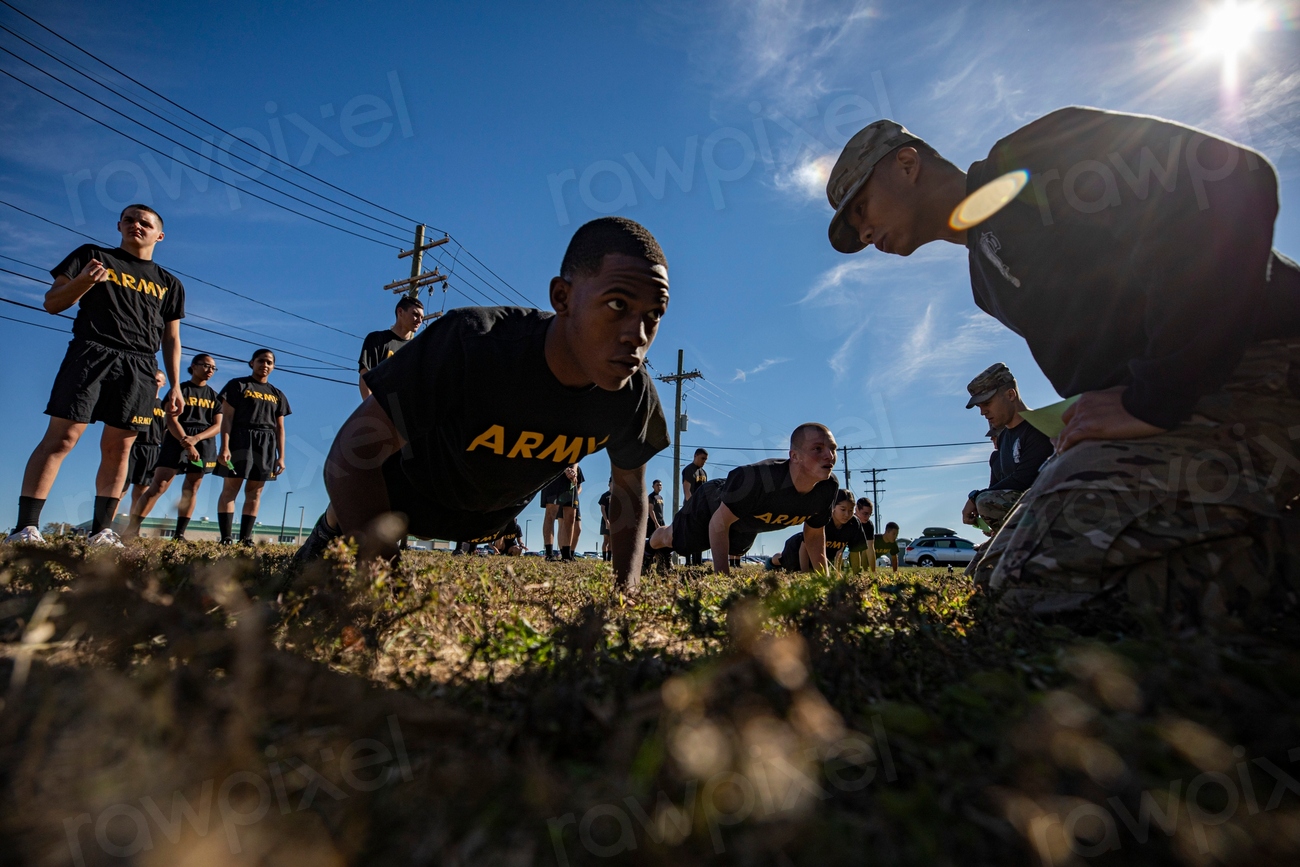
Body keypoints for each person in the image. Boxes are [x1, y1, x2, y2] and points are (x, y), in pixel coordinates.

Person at [825, 109, 1300, 618]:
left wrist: (1154, 397)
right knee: (994, 579)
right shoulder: (984, 280)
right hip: (1184, 410)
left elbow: (1231, 178)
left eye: (862, 209)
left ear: (906, 164)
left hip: (1263, 367)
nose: (866, 233)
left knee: (1031, 579)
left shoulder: (1032, 160)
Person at [295, 217, 671, 592]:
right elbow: (350, 457)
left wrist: (627, 593)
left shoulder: (631, 393)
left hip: (490, 521)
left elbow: (628, 492)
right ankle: (332, 526)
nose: (637, 335)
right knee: (318, 582)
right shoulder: (473, 343)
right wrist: (388, 582)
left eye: (654, 313)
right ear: (563, 298)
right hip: (405, 501)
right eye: (618, 303)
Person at [8, 205, 184, 547]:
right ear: (119, 225)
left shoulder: (170, 283)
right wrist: (83, 282)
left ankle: (102, 531)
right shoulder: (93, 256)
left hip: (140, 366)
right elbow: (52, 303)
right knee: (61, 439)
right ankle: (25, 528)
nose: (136, 225)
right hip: (91, 354)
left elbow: (172, 338)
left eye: (145, 223)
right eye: (130, 220)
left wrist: (175, 385)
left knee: (119, 450)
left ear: (159, 235)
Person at [649, 423, 840, 575]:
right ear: (794, 456)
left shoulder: (828, 487)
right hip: (712, 506)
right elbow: (718, 523)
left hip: (744, 521)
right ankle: (649, 549)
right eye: (818, 448)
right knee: (677, 540)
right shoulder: (757, 479)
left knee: (738, 547)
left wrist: (825, 580)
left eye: (833, 449)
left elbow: (814, 535)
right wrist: (722, 577)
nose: (829, 456)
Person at [127, 354, 223, 540]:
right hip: (176, 439)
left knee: (192, 488)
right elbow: (170, 420)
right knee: (159, 485)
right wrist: (186, 442)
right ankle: (131, 529)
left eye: (213, 368)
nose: (210, 370)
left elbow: (218, 425)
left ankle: (179, 534)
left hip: (202, 443)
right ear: (194, 366)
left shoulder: (214, 396)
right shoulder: (180, 390)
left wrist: (196, 439)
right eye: (206, 365)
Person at [960, 363, 1052, 535]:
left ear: (1010, 395)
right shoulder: (1003, 439)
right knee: (982, 560)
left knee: (986, 501)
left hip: (1049, 516)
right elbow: (997, 487)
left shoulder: (1039, 427)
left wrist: (976, 498)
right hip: (1023, 520)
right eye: (979, 406)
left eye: (987, 403)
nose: (983, 412)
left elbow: (1024, 480)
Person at [214, 349, 290, 545]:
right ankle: (226, 538)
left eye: (269, 362)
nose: (265, 365)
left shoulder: (277, 394)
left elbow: (280, 428)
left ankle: (246, 538)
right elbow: (227, 418)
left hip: (266, 444)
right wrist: (225, 447)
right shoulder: (237, 385)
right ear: (252, 363)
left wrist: (281, 456)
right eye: (261, 361)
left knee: (255, 492)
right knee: (231, 489)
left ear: (273, 367)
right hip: (240, 439)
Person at [770, 489, 865, 573]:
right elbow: (805, 547)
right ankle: (770, 562)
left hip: (821, 555)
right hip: (798, 548)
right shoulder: (823, 519)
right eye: (843, 509)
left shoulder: (854, 525)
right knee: (783, 561)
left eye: (851, 510)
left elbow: (850, 551)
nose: (847, 514)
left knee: (818, 571)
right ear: (833, 507)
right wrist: (805, 573)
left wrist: (855, 573)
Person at [358, 296, 425, 400]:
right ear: (400, 312)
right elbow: (366, 377)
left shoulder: (417, 349)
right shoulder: (377, 339)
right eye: (415, 314)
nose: (419, 320)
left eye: (422, 318)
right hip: (384, 407)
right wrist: (374, 412)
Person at [122, 369, 168, 518]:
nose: (155, 383)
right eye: (152, 379)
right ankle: (104, 526)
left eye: (158, 380)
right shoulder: (136, 401)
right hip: (133, 447)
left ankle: (132, 529)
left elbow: (166, 431)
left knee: (141, 492)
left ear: (163, 384)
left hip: (152, 450)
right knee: (120, 489)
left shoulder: (164, 407)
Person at [540, 464, 584, 560]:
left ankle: (567, 555)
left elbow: (576, 454)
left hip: (570, 479)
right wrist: (564, 469)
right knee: (550, 514)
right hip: (553, 472)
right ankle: (549, 554)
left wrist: (574, 470)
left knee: (570, 517)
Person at [681, 448, 708, 565]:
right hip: (690, 507)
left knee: (700, 534)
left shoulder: (704, 473)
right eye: (702, 458)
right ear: (695, 456)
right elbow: (687, 489)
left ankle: (698, 561)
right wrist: (691, 506)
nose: (704, 461)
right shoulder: (689, 469)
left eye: (706, 460)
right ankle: (688, 562)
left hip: (701, 508)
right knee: (689, 534)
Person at [846, 497, 877, 573]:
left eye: (870, 514)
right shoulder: (847, 521)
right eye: (865, 514)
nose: (867, 517)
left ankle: (858, 572)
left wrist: (873, 572)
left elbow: (870, 549)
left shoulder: (869, 525)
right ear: (856, 510)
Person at [598, 483, 612, 561]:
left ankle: (609, 559)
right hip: (606, 520)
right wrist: (606, 520)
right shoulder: (605, 495)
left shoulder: (617, 496)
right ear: (609, 484)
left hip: (614, 521)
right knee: (606, 540)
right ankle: (604, 558)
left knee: (611, 541)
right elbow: (602, 508)